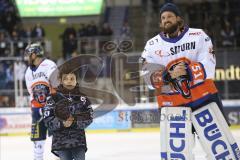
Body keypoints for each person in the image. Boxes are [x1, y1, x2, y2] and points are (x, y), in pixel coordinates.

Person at [140, 3, 238, 159]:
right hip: (172, 105)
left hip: (204, 99)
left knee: (222, 150)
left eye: (170, 16)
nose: (166, 20)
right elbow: (146, 77)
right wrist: (167, 75)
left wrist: (187, 71)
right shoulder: (152, 46)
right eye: (163, 18)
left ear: (179, 18)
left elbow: (210, 65)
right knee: (178, 154)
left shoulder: (198, 35)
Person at [42, 63, 93, 160]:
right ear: (60, 80)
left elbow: (89, 117)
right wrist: (62, 123)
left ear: (76, 80)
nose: (69, 81)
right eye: (65, 78)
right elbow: (47, 119)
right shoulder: (53, 98)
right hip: (60, 142)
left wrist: (74, 122)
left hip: (78, 141)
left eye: (72, 78)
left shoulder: (83, 98)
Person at [24, 43, 58, 160]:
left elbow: (55, 85)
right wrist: (34, 108)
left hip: (52, 107)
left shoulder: (49, 65)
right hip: (37, 109)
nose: (27, 57)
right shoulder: (28, 71)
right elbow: (31, 92)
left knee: (58, 136)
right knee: (37, 138)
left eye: (28, 54)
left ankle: (61, 157)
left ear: (34, 54)